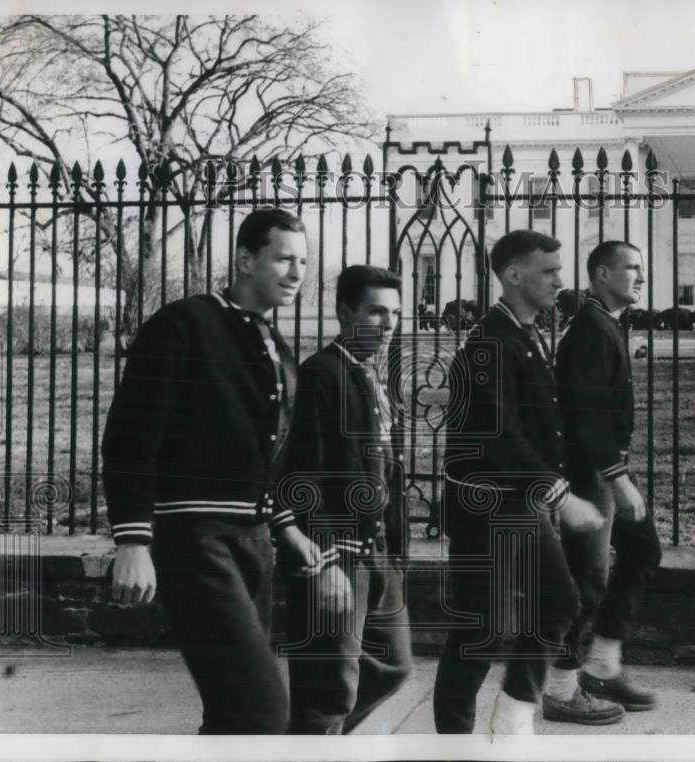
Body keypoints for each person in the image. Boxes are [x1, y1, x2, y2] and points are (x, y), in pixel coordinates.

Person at [102, 208, 320, 734]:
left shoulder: (278, 349)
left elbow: (266, 451)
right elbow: (131, 437)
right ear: (246, 259)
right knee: (260, 711)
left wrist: (284, 525)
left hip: (253, 543)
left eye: (304, 262)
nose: (297, 273)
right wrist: (132, 540)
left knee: (232, 714)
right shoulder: (185, 324)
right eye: (284, 258)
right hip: (194, 541)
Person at [432, 230, 621, 735]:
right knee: (510, 618)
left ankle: (496, 725)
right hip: (491, 502)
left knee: (489, 624)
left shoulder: (525, 332)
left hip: (514, 500)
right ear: (514, 274)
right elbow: (502, 437)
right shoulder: (491, 341)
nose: (561, 281)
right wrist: (561, 496)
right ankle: (501, 725)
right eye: (549, 271)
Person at [281, 264, 412, 734]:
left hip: (377, 555)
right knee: (329, 687)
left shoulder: (372, 374)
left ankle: (311, 741)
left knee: (394, 666)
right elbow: (301, 477)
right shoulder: (321, 374)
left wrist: (394, 551)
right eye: (376, 312)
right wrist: (325, 562)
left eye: (395, 313)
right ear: (344, 312)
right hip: (336, 558)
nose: (389, 324)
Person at [548, 240, 663, 716]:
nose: (640, 276)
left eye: (640, 267)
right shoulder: (592, 330)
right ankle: (559, 690)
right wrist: (617, 479)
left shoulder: (605, 324)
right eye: (631, 268)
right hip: (591, 471)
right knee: (588, 578)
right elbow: (588, 418)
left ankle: (604, 664)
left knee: (640, 550)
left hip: (605, 467)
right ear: (601, 274)